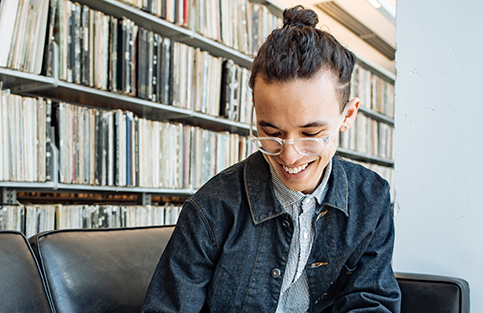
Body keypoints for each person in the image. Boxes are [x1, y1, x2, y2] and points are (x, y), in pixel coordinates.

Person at [141, 4, 401, 313]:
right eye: (271, 132)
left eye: (310, 133)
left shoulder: (371, 199)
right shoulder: (211, 208)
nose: (289, 155)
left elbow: (370, 302)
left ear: (348, 115)